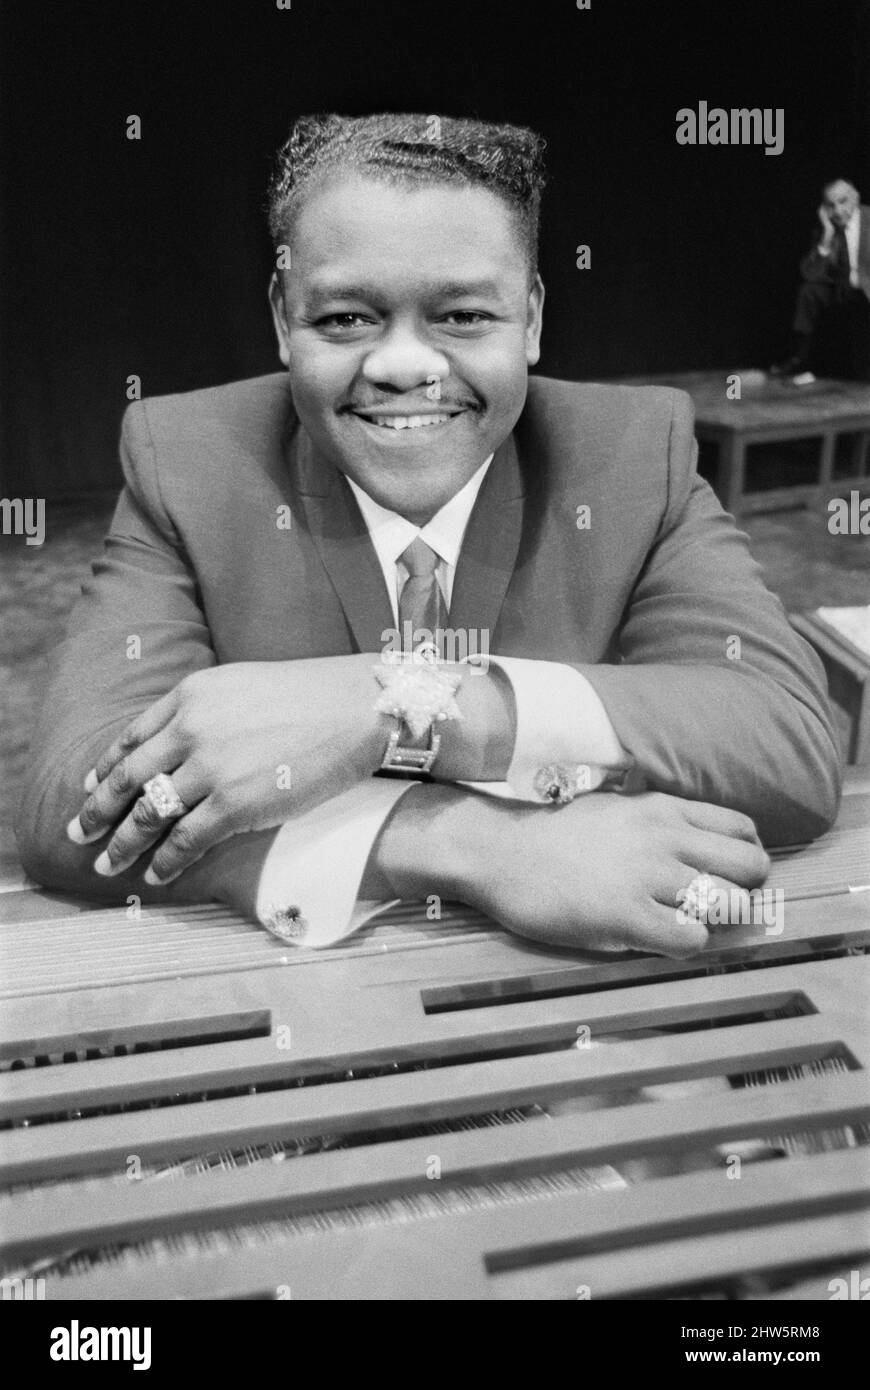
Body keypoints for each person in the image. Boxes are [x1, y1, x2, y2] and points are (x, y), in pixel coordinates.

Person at [15, 113, 841, 960]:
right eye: (344, 319)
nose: (403, 365)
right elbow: (69, 807)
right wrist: (470, 845)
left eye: (463, 315)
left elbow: (783, 739)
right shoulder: (187, 461)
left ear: (532, 317)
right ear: (280, 316)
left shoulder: (633, 454)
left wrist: (395, 707)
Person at [771, 177, 870, 380]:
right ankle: (800, 359)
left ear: (856, 198)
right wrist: (826, 235)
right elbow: (809, 273)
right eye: (831, 205)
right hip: (843, 290)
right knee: (809, 292)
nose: (838, 210)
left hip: (868, 289)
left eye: (843, 201)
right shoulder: (825, 229)